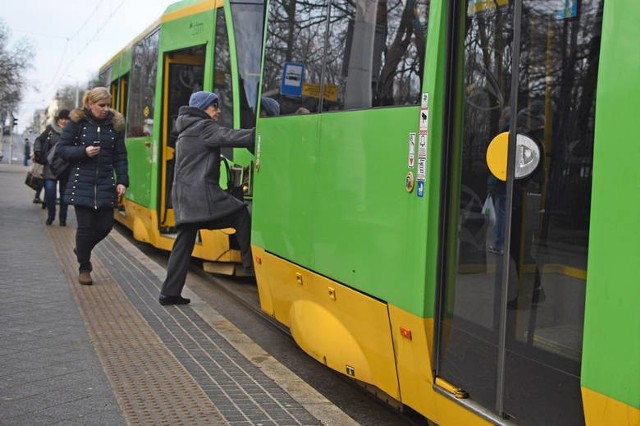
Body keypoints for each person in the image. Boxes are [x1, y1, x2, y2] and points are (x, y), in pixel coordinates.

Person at [159, 91, 255, 305]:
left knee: (183, 244)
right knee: (240, 213)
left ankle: (169, 292)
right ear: (203, 108)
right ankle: (250, 268)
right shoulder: (203, 127)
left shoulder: (185, 128)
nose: (218, 111)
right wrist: (261, 133)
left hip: (184, 198)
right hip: (202, 196)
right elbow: (231, 136)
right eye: (214, 106)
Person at [57, 87, 128, 286]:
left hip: (105, 183)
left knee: (105, 226)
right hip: (82, 182)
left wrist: (122, 180)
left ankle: (82, 248)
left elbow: (120, 156)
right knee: (85, 228)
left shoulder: (114, 126)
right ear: (90, 104)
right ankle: (84, 268)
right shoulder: (77, 123)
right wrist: (83, 151)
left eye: (108, 105)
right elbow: (62, 149)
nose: (105, 109)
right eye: (101, 105)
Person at [34, 109, 72, 225]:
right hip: (50, 165)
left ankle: (63, 219)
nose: (64, 121)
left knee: (64, 195)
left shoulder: (73, 131)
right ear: (58, 119)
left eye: (66, 119)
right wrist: (37, 151)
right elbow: (39, 140)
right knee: (50, 192)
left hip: (66, 166)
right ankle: (51, 215)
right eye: (62, 119)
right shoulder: (50, 129)